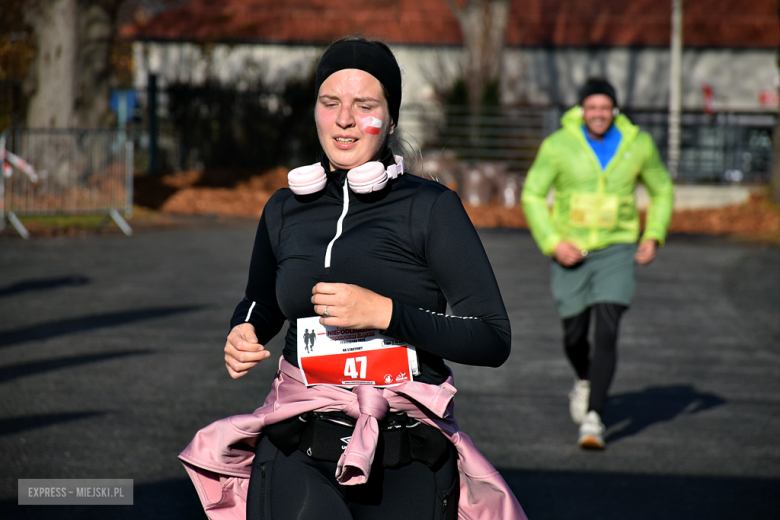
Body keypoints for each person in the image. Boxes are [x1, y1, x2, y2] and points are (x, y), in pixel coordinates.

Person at [179, 36, 527, 520]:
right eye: (330, 102)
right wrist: (245, 331)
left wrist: (384, 313)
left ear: (390, 118)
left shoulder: (430, 208)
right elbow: (261, 302)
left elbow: (493, 337)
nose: (344, 119)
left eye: (364, 105)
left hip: (405, 452)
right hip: (299, 442)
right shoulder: (284, 208)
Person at [521, 77, 674, 450]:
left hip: (618, 249)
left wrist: (652, 234)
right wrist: (553, 243)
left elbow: (662, 189)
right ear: (582, 111)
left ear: (615, 111)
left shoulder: (638, 144)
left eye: (605, 108)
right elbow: (532, 194)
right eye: (592, 108)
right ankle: (585, 379)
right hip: (571, 251)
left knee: (607, 329)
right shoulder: (559, 145)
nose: (599, 114)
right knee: (574, 334)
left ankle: (594, 418)